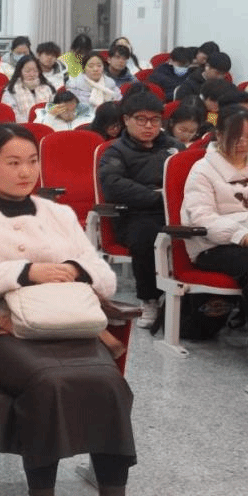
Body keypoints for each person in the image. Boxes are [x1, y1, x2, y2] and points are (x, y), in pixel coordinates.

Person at [0, 124, 138, 496]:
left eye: (32, 161)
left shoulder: (58, 214)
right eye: (13, 163)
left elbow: (104, 277)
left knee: (109, 381)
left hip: (65, 323)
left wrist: (75, 270)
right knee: (48, 381)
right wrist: (26, 272)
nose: (25, 171)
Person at [181, 106, 248, 371]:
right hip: (213, 245)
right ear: (219, 135)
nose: (244, 145)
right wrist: (240, 235)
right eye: (237, 138)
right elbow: (201, 217)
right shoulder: (202, 170)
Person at [99, 90, 185, 328]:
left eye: (155, 120)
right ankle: (149, 299)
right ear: (126, 120)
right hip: (135, 214)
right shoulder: (115, 151)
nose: (149, 126)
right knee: (147, 237)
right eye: (141, 119)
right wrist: (156, 196)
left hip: (174, 212)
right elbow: (114, 186)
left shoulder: (175, 147)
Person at [2, 55, 57, 123]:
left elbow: (56, 108)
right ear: (20, 72)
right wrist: (32, 124)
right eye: (27, 71)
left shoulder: (47, 88)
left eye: (35, 71)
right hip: (23, 126)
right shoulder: (11, 91)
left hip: (48, 124)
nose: (32, 74)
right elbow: (12, 114)